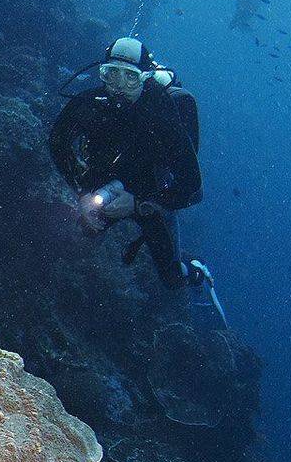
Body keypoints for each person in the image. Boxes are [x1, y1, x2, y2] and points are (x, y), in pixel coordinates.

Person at [49, 36, 212, 291]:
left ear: (145, 78)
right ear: (101, 74)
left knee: (172, 279)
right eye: (111, 74)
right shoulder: (91, 105)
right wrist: (81, 192)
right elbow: (58, 142)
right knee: (79, 237)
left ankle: (195, 270)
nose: (118, 86)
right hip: (106, 183)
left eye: (130, 77)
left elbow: (192, 189)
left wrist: (138, 205)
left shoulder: (164, 116)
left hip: (152, 194)